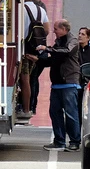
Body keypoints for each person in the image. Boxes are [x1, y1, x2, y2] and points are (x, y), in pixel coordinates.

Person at [38, 19, 81, 152]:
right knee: (54, 113)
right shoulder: (58, 43)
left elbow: (66, 52)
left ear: (64, 29)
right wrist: (39, 58)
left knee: (71, 114)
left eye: (56, 29)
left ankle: (74, 142)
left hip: (69, 84)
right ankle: (59, 141)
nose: (54, 31)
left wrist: (48, 49)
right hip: (56, 85)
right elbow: (53, 59)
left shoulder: (73, 41)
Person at [17, 0, 50, 120]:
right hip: (35, 49)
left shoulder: (20, 9)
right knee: (31, 79)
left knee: (24, 80)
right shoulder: (40, 10)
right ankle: (29, 107)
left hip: (22, 49)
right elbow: (46, 30)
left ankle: (25, 109)